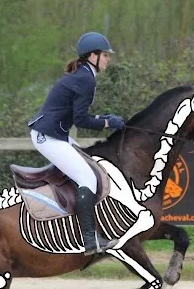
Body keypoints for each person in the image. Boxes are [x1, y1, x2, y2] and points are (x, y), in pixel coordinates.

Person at [28, 31, 126, 255]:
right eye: (106, 55)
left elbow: (77, 114)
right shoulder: (85, 79)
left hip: (54, 133)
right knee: (87, 178)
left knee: (87, 166)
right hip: (48, 136)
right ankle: (90, 240)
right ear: (93, 56)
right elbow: (81, 120)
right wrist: (107, 123)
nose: (108, 59)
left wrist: (104, 119)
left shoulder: (84, 74)